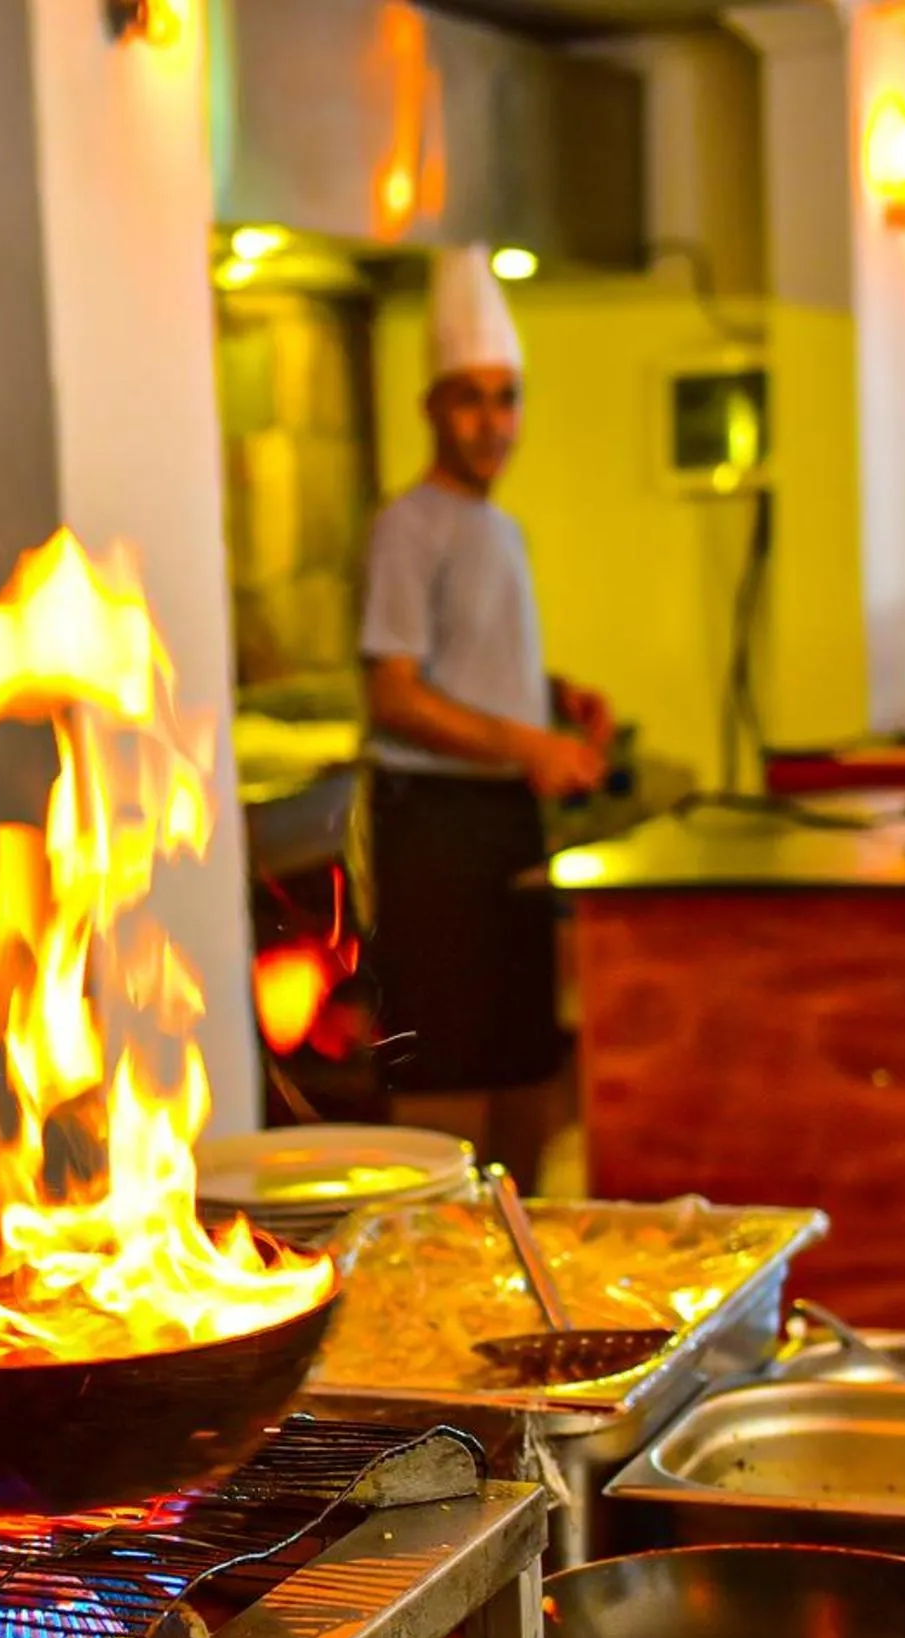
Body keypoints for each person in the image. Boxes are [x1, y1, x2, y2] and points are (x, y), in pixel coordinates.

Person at [358, 245, 613, 1184]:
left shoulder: (500, 530)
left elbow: (463, 660)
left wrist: (555, 695)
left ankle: (511, 1271)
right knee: (444, 1091)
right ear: (430, 405)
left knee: (525, 1075)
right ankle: (432, 1274)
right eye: (469, 397)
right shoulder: (406, 525)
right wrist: (528, 743)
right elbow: (395, 693)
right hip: (434, 834)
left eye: (506, 398)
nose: (492, 421)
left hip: (506, 825)